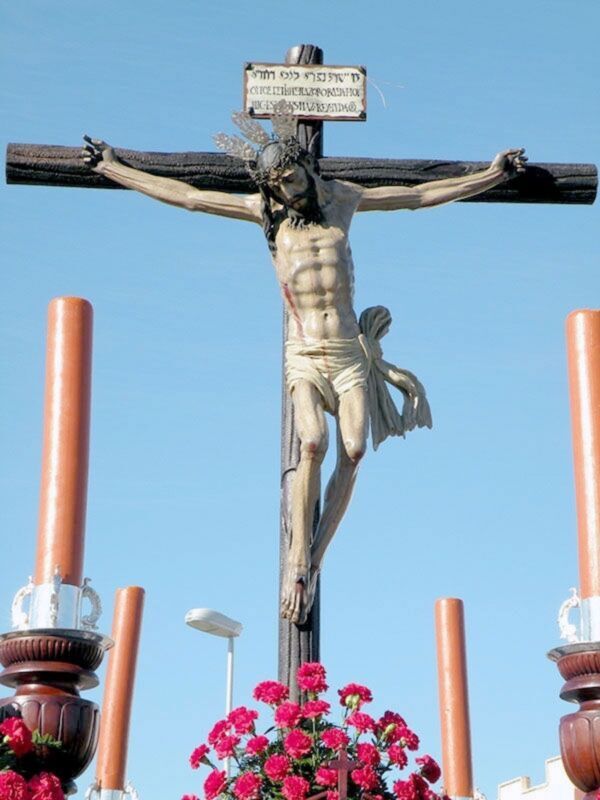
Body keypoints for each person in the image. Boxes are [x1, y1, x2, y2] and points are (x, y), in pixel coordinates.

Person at [82, 111, 526, 624]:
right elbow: (188, 197)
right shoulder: (265, 212)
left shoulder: (343, 200)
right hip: (306, 352)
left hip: (347, 351)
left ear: (307, 169)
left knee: (354, 450)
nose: (288, 192)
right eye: (278, 186)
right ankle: (297, 558)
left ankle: (315, 559)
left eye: (292, 180)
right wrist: (113, 167)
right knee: (312, 441)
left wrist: (491, 175)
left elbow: (419, 195)